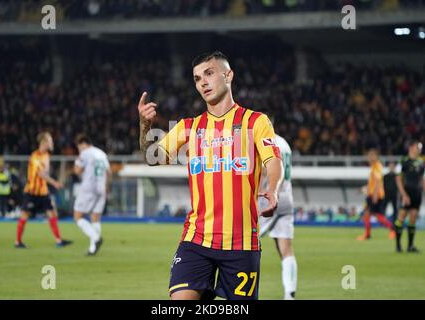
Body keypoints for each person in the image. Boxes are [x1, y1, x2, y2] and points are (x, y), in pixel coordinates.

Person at [138, 51, 284, 300]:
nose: (203, 82)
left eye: (209, 73)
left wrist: (272, 189)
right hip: (197, 240)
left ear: (228, 75)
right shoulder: (188, 127)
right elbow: (153, 156)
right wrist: (144, 126)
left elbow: (273, 161)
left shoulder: (255, 122)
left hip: (241, 244)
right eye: (197, 78)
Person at [14, 132, 72, 248]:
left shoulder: (46, 156)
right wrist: (55, 183)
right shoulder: (35, 156)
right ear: (44, 142)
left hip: (43, 192)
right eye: (50, 140)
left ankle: (59, 240)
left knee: (52, 213)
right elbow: (41, 174)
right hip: (32, 192)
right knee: (25, 215)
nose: (52, 143)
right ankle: (18, 242)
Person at [258, 134, 297, 300]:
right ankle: (289, 294)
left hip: (269, 198)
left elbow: (264, 169)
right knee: (286, 250)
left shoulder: (266, 141)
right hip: (287, 197)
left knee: (243, 241)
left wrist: (254, 195)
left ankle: (239, 291)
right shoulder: (285, 142)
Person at [73, 134, 111, 256]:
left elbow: (77, 170)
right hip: (101, 188)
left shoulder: (85, 153)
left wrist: (83, 170)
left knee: (78, 216)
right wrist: (107, 187)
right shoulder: (101, 153)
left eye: (79, 147)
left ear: (83, 144)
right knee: (95, 218)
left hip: (89, 188)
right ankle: (92, 249)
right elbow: (109, 172)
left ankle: (96, 238)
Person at [394, 141, 424, 253]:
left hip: (417, 193)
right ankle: (398, 246)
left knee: (413, 218)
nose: (419, 150)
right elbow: (398, 179)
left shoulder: (421, 162)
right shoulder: (403, 161)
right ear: (411, 148)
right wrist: (404, 194)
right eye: (417, 148)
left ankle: (410, 246)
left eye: (420, 148)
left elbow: (422, 180)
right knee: (401, 217)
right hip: (406, 193)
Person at [358, 149, 394, 241]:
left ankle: (393, 230)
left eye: (372, 155)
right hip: (372, 195)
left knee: (377, 216)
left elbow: (378, 182)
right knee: (369, 214)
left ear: (376, 157)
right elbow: (372, 183)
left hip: (376, 195)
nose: (370, 157)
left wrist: (375, 195)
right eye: (369, 155)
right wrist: (364, 189)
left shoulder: (377, 166)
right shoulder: (373, 166)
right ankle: (367, 235)